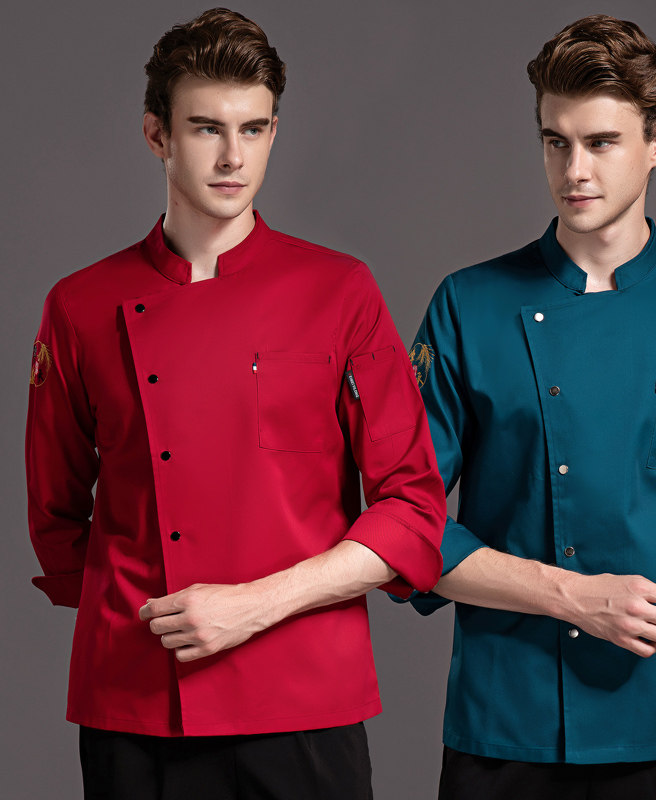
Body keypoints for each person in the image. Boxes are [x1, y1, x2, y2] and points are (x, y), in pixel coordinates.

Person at [26, 8, 445, 799]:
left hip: (305, 699)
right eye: (206, 129)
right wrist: (136, 615)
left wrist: (254, 605)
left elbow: (414, 508)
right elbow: (55, 518)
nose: (232, 157)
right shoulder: (79, 305)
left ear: (274, 131)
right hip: (139, 702)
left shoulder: (340, 290)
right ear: (156, 135)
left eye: (253, 129)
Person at [407, 14, 656, 800]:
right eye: (556, 142)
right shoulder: (467, 305)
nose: (574, 170)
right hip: (507, 714)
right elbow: (406, 518)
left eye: (602, 142)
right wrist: (570, 597)